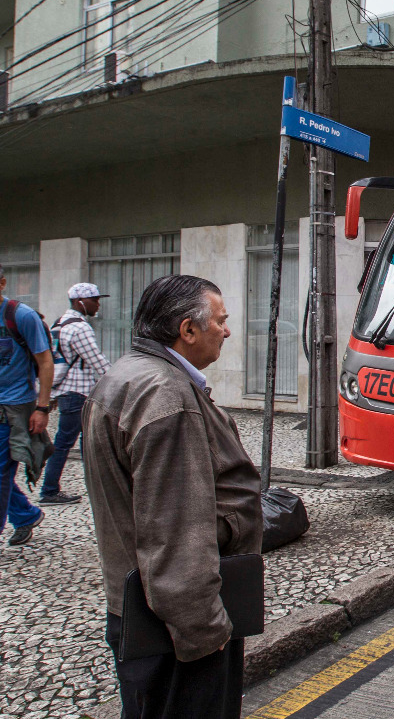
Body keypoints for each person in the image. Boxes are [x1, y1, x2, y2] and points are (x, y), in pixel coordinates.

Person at [83, 275, 262, 719]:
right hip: (174, 629)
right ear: (187, 330)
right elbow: (176, 531)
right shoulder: (167, 395)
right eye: (220, 321)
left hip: (143, 609)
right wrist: (203, 629)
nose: (227, 330)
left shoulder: (125, 375)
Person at [40, 282, 112, 506]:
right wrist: (117, 381)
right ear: (80, 302)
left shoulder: (60, 322)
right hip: (78, 392)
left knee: (83, 442)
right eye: (95, 299)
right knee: (65, 442)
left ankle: (91, 487)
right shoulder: (79, 327)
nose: (98, 304)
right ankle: (49, 490)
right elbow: (97, 361)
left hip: (68, 391)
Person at [0, 264, 52, 546]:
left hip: (12, 411)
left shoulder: (21, 316)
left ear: (3, 283)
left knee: (0, 472)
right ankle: (24, 514)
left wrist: (42, 407)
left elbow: (45, 362)